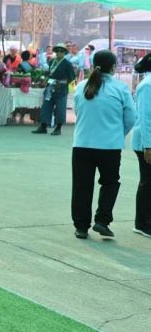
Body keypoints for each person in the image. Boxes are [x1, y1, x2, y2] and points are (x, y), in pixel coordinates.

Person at [71, 50, 136, 239]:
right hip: (109, 146)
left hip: (82, 144)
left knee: (82, 185)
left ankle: (81, 227)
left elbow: (78, 111)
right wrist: (118, 133)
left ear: (92, 65)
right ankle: (102, 220)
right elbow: (131, 116)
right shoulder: (120, 88)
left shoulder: (81, 86)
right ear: (114, 67)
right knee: (110, 183)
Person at [130, 53, 151, 238]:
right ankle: (142, 223)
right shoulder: (147, 85)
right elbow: (145, 118)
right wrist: (149, 146)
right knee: (148, 182)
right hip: (146, 143)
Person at [33, 43, 75, 135]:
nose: (59, 52)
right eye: (57, 51)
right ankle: (43, 126)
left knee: (60, 108)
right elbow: (50, 73)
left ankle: (58, 128)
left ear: (64, 53)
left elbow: (71, 78)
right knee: (46, 106)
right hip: (50, 86)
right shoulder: (51, 61)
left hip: (61, 88)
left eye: (61, 51)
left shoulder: (67, 64)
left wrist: (62, 83)